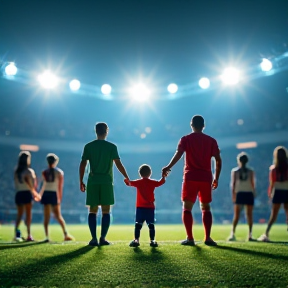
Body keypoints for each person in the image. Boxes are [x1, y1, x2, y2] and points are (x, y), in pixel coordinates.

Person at [162, 115, 222, 246]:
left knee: (187, 208)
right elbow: (218, 160)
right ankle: (207, 237)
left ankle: (190, 238)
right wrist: (216, 177)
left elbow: (178, 154)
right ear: (203, 125)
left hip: (190, 177)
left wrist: (168, 167)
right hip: (206, 177)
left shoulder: (186, 139)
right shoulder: (211, 141)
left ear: (191, 125)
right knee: (206, 207)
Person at [79, 122, 130, 246]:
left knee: (92, 211)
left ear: (95, 131)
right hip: (106, 182)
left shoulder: (89, 146)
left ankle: (93, 239)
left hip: (93, 181)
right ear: (107, 131)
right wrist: (126, 177)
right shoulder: (112, 147)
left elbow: (83, 164)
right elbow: (118, 164)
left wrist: (81, 180)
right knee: (106, 211)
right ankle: (103, 238)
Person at [124, 164, 165, 247]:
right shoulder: (152, 182)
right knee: (151, 224)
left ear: (140, 173)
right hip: (150, 207)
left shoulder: (138, 183)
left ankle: (136, 240)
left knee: (138, 224)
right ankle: (152, 241)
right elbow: (161, 182)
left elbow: (129, 183)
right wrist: (164, 176)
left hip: (140, 207)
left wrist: (126, 179)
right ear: (150, 173)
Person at [39, 153, 73, 242]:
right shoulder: (59, 172)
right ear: (56, 162)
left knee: (46, 216)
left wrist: (40, 194)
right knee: (58, 216)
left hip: (46, 194)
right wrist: (59, 198)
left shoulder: (44, 172)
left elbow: (43, 185)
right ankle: (66, 234)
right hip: (54, 194)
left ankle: (47, 236)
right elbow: (60, 187)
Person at [258, 146, 288, 242]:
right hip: (286, 190)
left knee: (273, 215)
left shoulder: (274, 169)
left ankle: (266, 233)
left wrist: (270, 194)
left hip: (278, 192)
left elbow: (272, 183)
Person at [228, 152, 256, 241]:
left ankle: (232, 233)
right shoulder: (251, 171)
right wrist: (254, 193)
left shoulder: (235, 171)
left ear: (238, 161)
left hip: (239, 193)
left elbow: (233, 184)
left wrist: (233, 195)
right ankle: (250, 235)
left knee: (237, 215)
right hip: (248, 193)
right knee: (249, 215)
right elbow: (252, 184)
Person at [14, 151, 40, 242]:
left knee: (19, 215)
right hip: (26, 193)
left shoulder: (16, 171)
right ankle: (29, 235)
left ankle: (16, 234)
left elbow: (16, 184)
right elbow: (32, 185)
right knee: (28, 215)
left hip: (19, 193)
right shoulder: (29, 171)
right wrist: (35, 194)